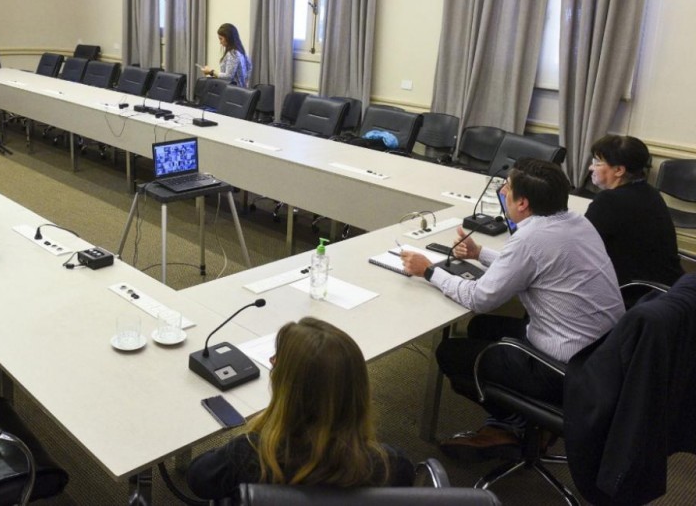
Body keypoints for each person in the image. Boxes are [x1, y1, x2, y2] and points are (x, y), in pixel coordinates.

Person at [400, 158, 624, 462]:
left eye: (507, 188)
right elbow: (533, 264)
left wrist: (429, 271)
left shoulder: (530, 239)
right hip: (601, 356)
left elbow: (479, 298)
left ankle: (512, 427)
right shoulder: (576, 221)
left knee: (450, 353)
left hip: (561, 369)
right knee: (480, 327)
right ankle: (522, 423)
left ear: (523, 203)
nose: (503, 192)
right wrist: (481, 253)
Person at [186, 317, 414, 500]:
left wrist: (263, 424)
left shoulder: (248, 453)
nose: (272, 362)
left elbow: (198, 479)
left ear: (289, 390)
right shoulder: (392, 465)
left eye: (276, 361)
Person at [586, 135, 683, 287]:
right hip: (668, 286)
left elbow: (582, 246)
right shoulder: (651, 192)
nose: (591, 168)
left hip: (634, 290)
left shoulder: (608, 201)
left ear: (619, 170)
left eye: (597, 163)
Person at [202, 23, 252, 87]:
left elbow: (228, 77)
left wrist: (211, 72)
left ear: (228, 38)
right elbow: (249, 70)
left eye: (221, 39)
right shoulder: (242, 52)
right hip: (240, 90)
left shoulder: (233, 53)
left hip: (233, 91)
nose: (220, 42)